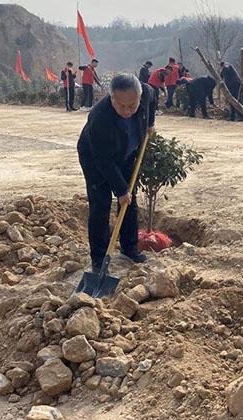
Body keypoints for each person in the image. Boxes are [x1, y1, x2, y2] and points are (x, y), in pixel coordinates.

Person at [77, 73, 155, 273]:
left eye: (133, 106)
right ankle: (99, 257)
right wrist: (120, 189)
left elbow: (152, 97)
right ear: (111, 97)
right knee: (100, 204)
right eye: (122, 106)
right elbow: (104, 161)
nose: (128, 110)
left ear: (139, 98)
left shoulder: (145, 92)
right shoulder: (99, 118)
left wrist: (151, 123)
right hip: (96, 159)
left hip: (126, 155)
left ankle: (130, 248)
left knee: (130, 201)